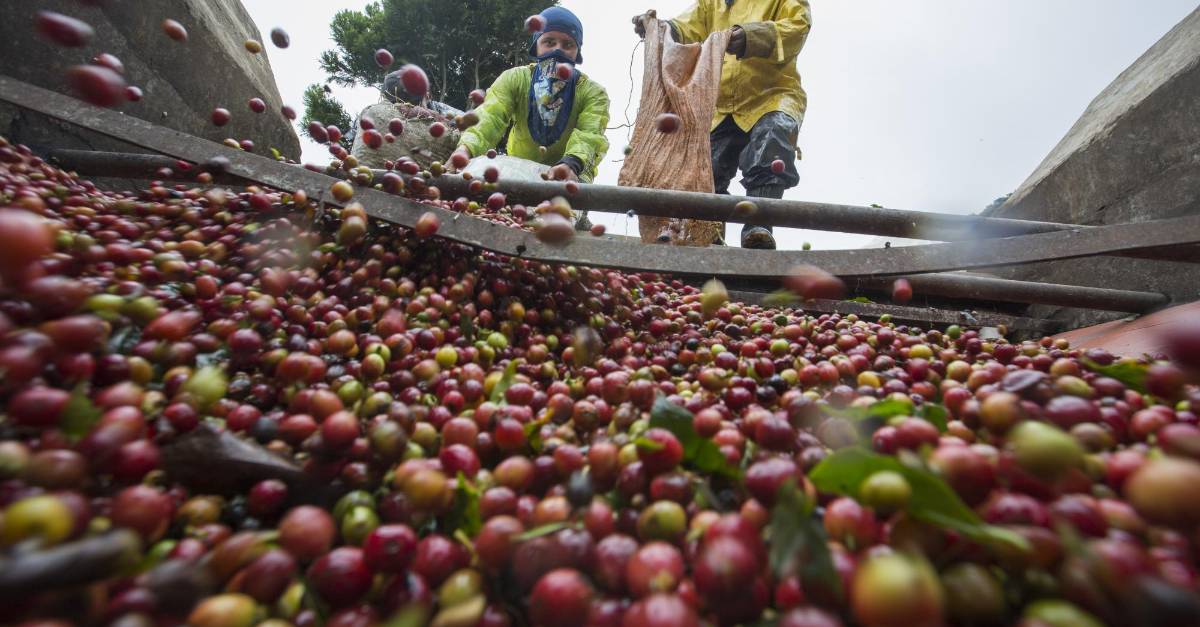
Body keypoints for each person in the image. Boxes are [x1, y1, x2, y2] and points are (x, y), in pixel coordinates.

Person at [634, 1, 811, 249]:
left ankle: (758, 225)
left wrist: (752, 36)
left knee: (771, 145)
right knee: (708, 170)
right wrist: (658, 27)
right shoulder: (711, 3)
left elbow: (797, 27)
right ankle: (711, 234)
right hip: (720, 105)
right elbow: (686, 26)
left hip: (772, 97)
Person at [453, 7, 610, 190]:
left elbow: (590, 134)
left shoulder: (593, 93)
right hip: (517, 172)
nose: (558, 50)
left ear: (577, 52)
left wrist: (572, 163)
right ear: (536, 46)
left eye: (568, 45)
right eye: (549, 42)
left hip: (570, 177)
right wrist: (466, 148)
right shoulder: (515, 79)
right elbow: (490, 116)